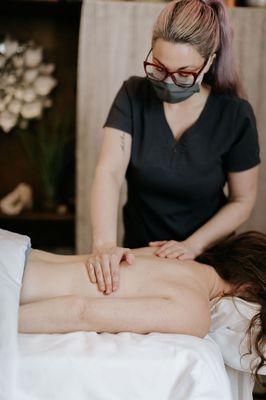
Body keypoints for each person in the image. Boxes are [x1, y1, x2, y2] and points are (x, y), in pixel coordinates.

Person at [88, 0, 261, 295]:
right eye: (158, 68)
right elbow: (109, 172)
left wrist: (192, 245)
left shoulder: (234, 115)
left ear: (208, 63)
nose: (168, 82)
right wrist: (104, 245)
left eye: (184, 73)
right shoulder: (133, 95)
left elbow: (242, 200)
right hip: (138, 256)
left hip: (207, 259)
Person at [19, 230, 265, 382]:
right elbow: (80, 311)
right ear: (249, 290)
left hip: (18, 253)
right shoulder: (195, 313)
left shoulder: (167, 251)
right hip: (14, 286)